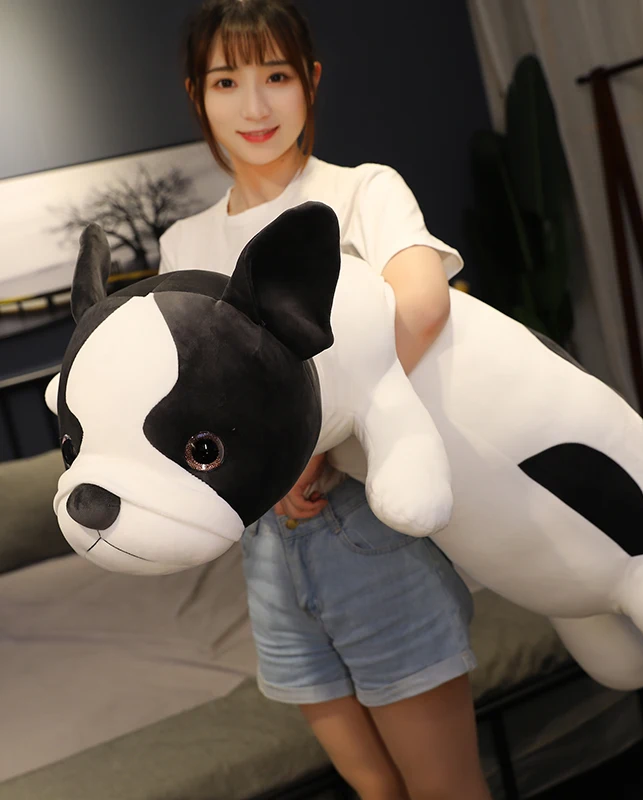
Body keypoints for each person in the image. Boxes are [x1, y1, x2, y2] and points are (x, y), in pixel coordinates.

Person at [159, 2, 491, 797]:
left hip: (370, 527)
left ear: (311, 80)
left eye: (276, 76)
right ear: (197, 95)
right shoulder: (183, 244)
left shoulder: (361, 191)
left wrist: (314, 444)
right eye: (226, 82)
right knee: (374, 791)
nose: (255, 106)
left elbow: (423, 306)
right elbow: (193, 402)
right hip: (266, 551)